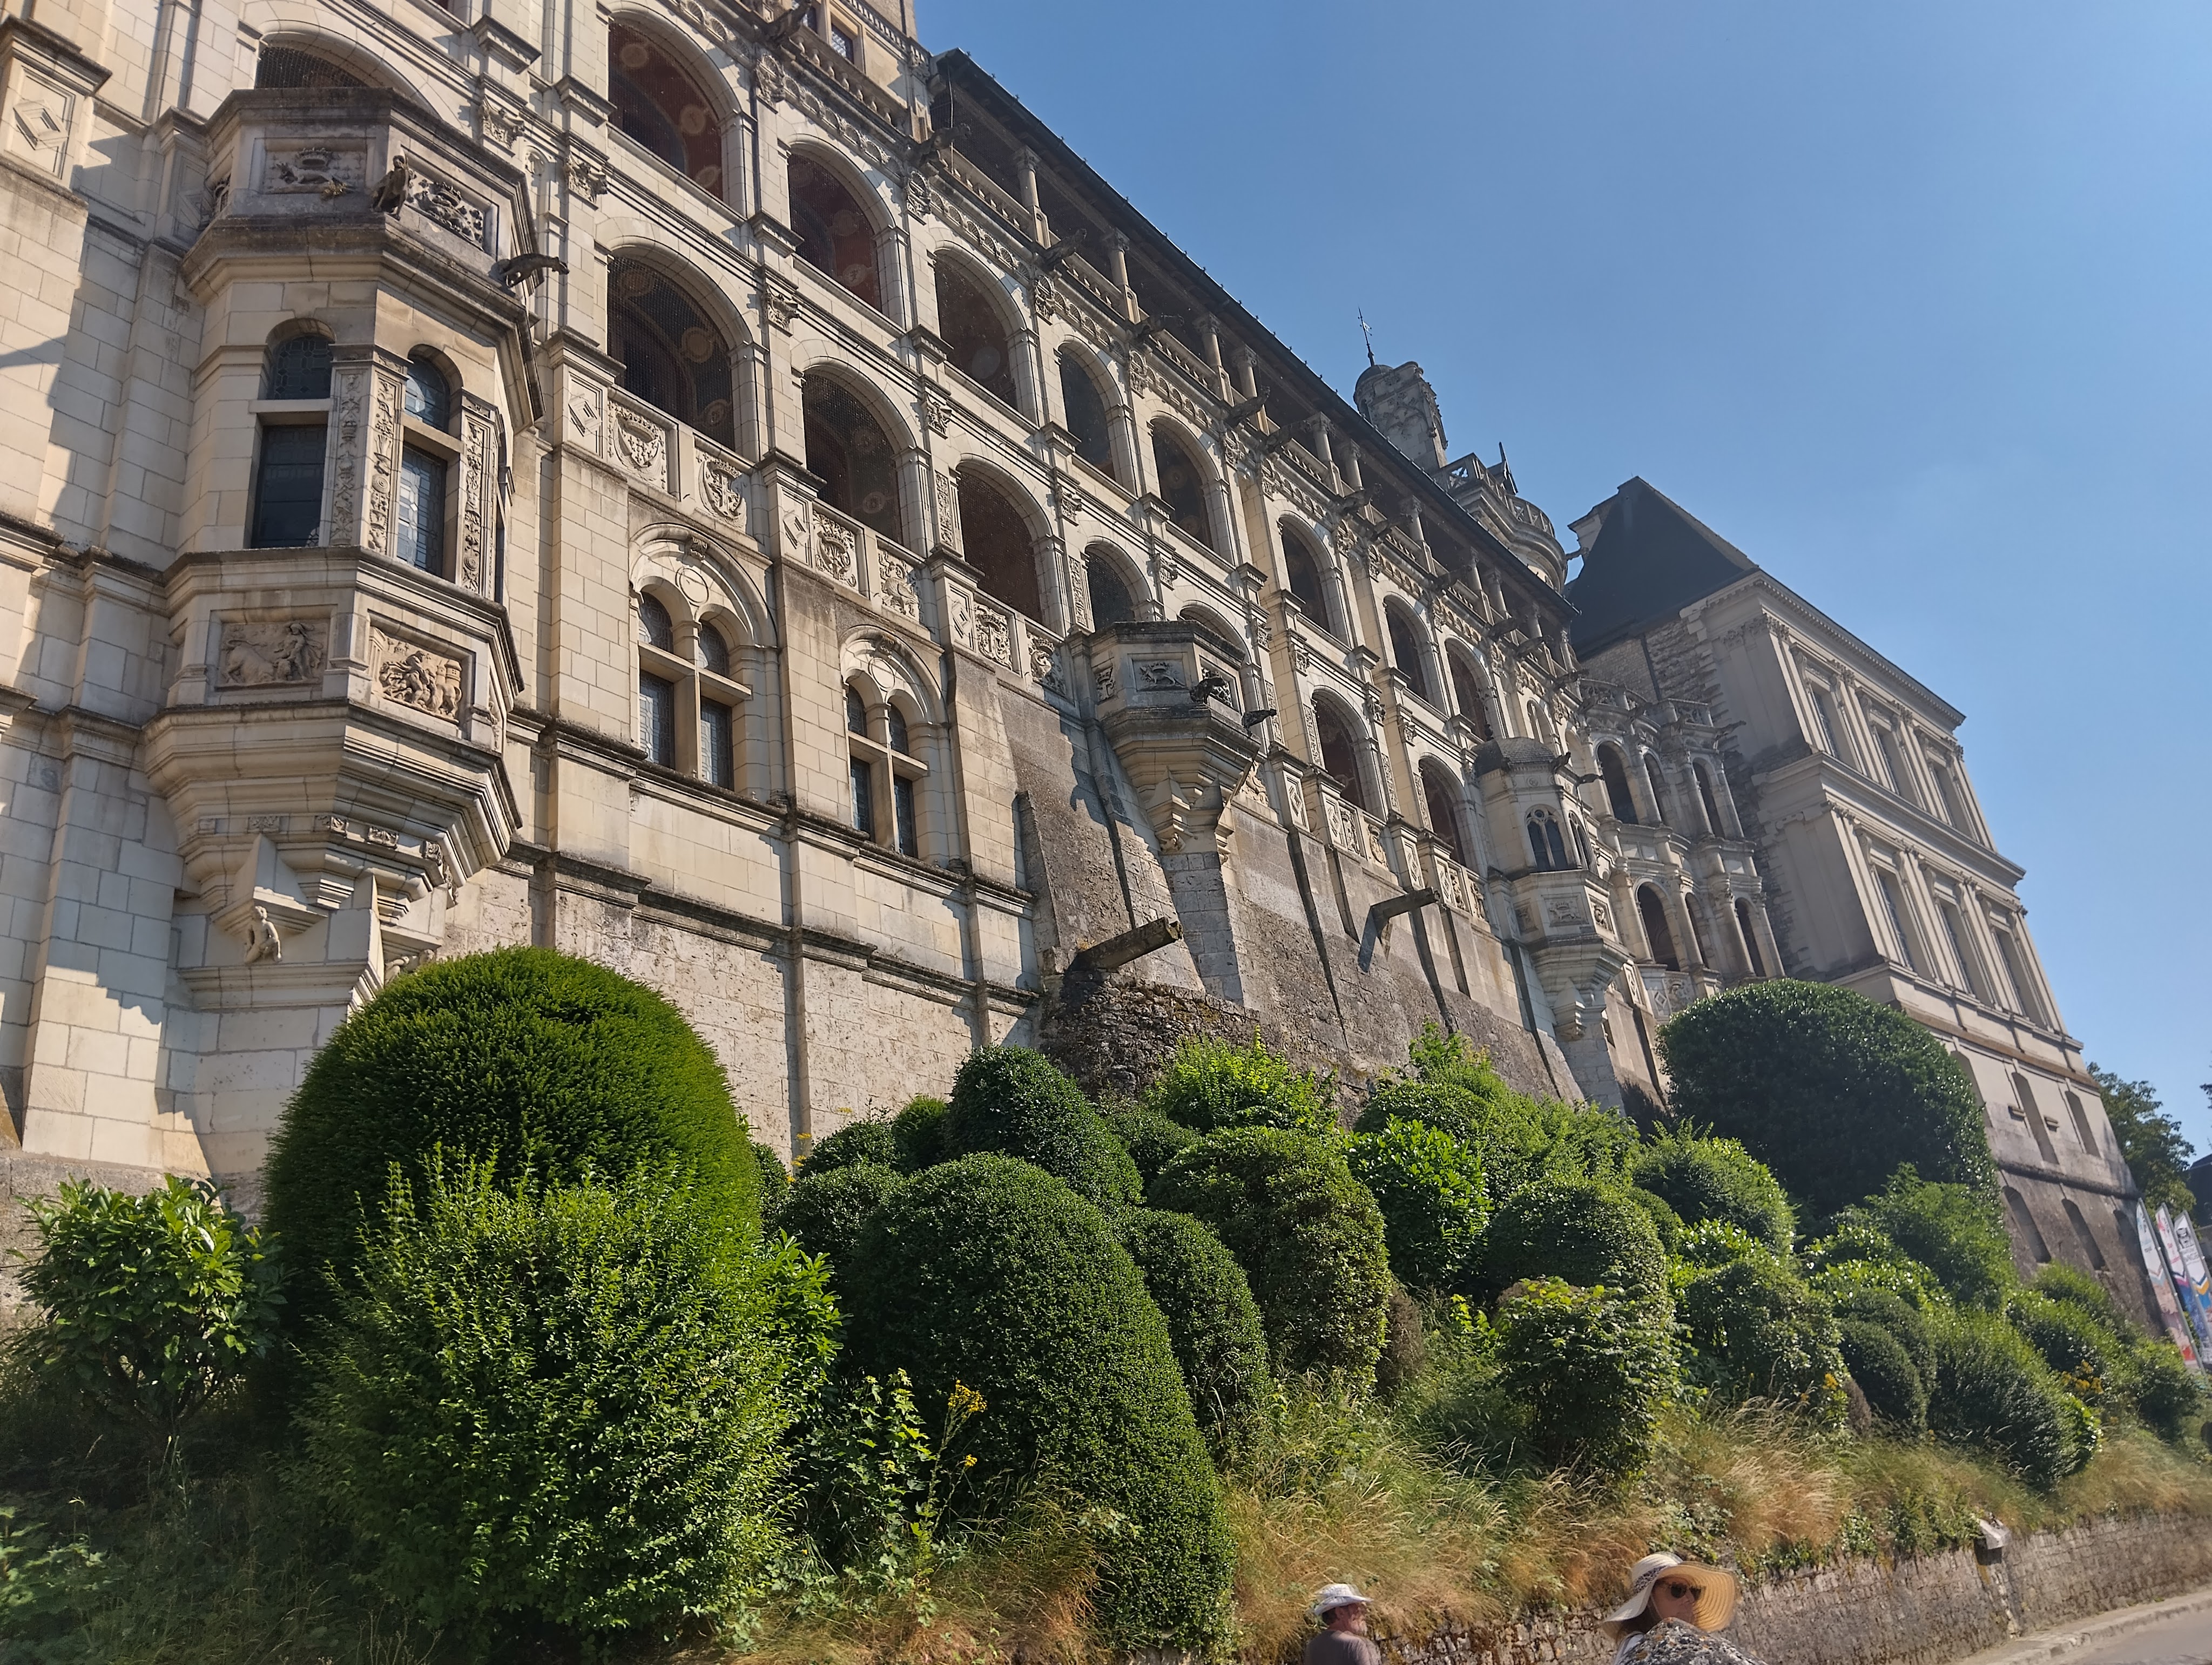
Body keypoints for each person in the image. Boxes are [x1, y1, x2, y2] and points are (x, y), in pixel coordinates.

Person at [1601, 1553, 1766, 1665]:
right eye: (1677, 1590)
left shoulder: (1663, 1645)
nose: (1690, 1599)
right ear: (1649, 1600)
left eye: (1694, 1591)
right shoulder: (1638, 1647)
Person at [1304, 1583, 1381, 1665]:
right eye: (1357, 1609)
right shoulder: (1355, 1644)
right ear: (1340, 1613)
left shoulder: (1312, 1646)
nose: (1363, 1613)